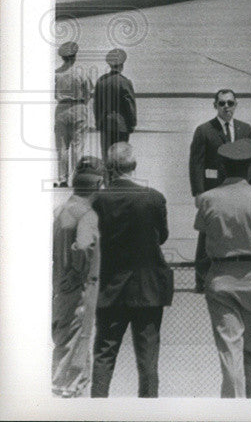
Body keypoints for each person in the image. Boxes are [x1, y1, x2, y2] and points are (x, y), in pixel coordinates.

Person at [195, 139, 251, 398]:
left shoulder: (208, 199)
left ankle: (233, 409)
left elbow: (204, 237)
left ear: (222, 167)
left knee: (229, 349)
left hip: (221, 277)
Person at [91, 143, 173, 398]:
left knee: (104, 355)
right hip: (147, 289)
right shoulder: (154, 198)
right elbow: (162, 237)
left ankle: (97, 410)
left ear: (110, 168)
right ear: (134, 166)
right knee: (148, 360)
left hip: (110, 288)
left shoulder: (98, 200)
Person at [190, 89, 251, 292]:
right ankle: (201, 279)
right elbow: (196, 163)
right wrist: (198, 192)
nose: (226, 107)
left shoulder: (245, 129)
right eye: (222, 103)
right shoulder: (204, 130)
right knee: (207, 234)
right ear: (215, 106)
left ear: (236, 104)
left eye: (230, 103)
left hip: (240, 189)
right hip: (214, 191)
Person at [52, 157, 104, 398]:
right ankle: (70, 390)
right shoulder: (87, 215)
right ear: (98, 184)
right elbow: (83, 247)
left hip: (60, 288)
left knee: (63, 340)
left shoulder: (62, 209)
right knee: (79, 341)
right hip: (80, 289)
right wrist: (78, 272)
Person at [54, 41, 93, 187]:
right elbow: (88, 92)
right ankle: (77, 178)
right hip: (78, 106)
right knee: (78, 146)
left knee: (62, 147)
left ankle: (62, 179)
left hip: (61, 109)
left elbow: (53, 94)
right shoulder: (82, 72)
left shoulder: (56, 74)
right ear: (74, 56)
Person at [93, 48, 137, 160]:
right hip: (121, 126)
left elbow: (96, 105)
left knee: (107, 156)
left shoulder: (101, 81)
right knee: (121, 157)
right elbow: (130, 105)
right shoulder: (124, 82)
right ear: (122, 65)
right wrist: (132, 124)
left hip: (105, 124)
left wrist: (98, 122)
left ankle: (107, 177)